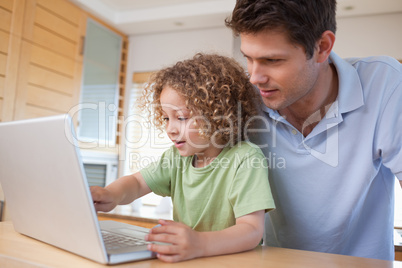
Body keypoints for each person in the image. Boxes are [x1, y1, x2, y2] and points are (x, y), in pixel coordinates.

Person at [225, 0, 402, 261]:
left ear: (322, 47)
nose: (254, 77)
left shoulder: (385, 83)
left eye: (272, 60)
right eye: (248, 58)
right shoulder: (246, 99)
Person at [91, 53, 275, 263]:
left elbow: (251, 230)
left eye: (182, 118)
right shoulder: (176, 158)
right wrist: (111, 194)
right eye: (166, 118)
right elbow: (137, 182)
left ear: (217, 113)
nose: (170, 129)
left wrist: (201, 244)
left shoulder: (245, 158)